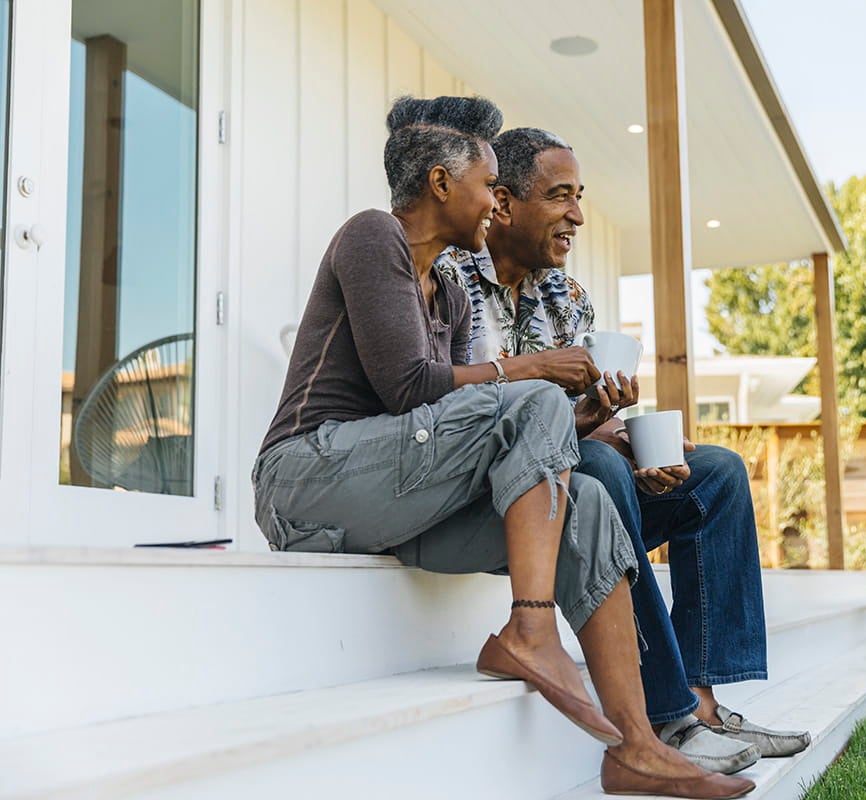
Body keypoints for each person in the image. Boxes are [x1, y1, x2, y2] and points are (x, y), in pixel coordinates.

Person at [253, 96, 752, 799]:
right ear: (439, 184)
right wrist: (541, 370)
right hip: (306, 480)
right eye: (490, 185)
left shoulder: (450, 300)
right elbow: (409, 387)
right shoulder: (373, 237)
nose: (496, 203)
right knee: (538, 397)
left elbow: (474, 419)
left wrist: (583, 417)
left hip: (398, 503)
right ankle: (530, 628)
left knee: (585, 506)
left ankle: (638, 746)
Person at [436, 127, 812, 776]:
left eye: (579, 197)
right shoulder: (448, 284)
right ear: (502, 202)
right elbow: (459, 420)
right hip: (501, 499)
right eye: (560, 197)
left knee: (715, 473)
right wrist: (597, 440)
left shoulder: (567, 296)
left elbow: (583, 423)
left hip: (578, 473)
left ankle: (702, 701)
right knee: (603, 468)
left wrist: (632, 437)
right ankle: (664, 713)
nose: (578, 216)